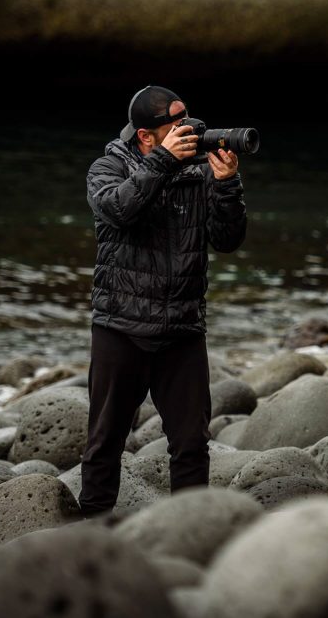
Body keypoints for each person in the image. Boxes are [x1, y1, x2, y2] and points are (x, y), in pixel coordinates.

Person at [80, 85, 247, 516]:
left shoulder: (200, 169)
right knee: (105, 440)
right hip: (121, 327)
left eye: (187, 117)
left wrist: (227, 184)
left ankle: (187, 529)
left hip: (183, 329)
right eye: (176, 123)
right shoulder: (107, 168)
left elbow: (227, 240)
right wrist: (164, 161)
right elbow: (119, 210)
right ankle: (91, 531)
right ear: (146, 136)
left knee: (191, 443)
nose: (189, 128)